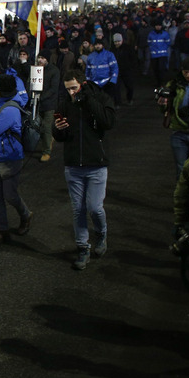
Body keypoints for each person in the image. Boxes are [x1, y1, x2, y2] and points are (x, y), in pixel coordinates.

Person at [52, 69, 117, 270]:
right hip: (73, 165)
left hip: (96, 164)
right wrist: (58, 128)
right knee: (77, 209)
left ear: (83, 83)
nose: (71, 93)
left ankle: (101, 233)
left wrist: (88, 99)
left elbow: (107, 122)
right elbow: (59, 135)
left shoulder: (101, 98)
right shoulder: (65, 103)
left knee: (95, 207)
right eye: (68, 89)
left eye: (74, 88)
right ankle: (82, 247)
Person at [0, 74, 33, 245]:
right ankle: (2, 230)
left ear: (2, 91)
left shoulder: (9, 109)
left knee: (9, 195)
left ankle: (25, 214)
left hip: (9, 158)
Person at [35, 52, 60, 162]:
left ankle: (46, 151)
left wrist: (42, 97)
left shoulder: (54, 71)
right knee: (41, 126)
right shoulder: (35, 70)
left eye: (43, 57)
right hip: (38, 104)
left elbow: (53, 89)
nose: (40, 60)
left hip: (49, 103)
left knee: (46, 126)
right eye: (39, 57)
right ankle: (49, 139)